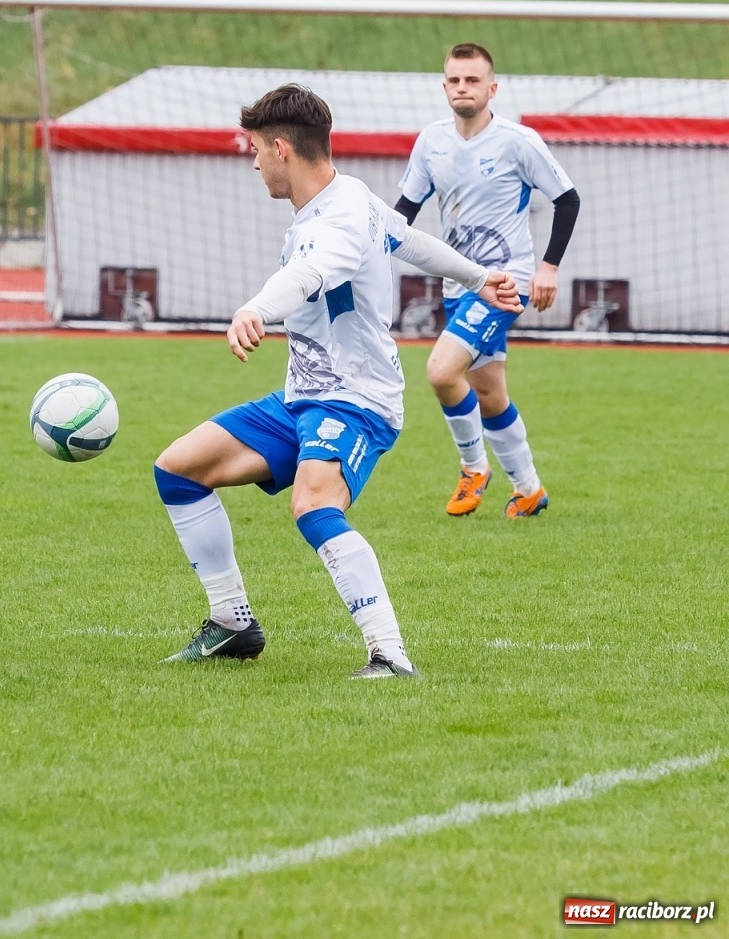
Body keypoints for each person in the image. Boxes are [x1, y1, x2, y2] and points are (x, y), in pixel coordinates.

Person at [155, 84, 522, 677]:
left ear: (281, 149)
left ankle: (389, 654)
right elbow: (410, 240)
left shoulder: (339, 222)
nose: (253, 163)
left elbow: (308, 274)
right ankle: (232, 624)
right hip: (305, 396)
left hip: (357, 399)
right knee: (178, 470)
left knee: (313, 503)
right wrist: (479, 276)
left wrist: (255, 309)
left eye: (255, 149)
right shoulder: (348, 197)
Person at [394, 43, 581, 518]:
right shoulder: (431, 142)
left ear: (492, 88)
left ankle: (473, 467)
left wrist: (548, 267)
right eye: (455, 80)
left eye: (473, 80)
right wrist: (365, 251)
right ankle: (529, 489)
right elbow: (404, 212)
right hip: (459, 285)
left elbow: (568, 199)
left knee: (441, 372)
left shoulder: (518, 142)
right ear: (444, 87)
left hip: (505, 284)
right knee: (490, 395)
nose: (463, 88)